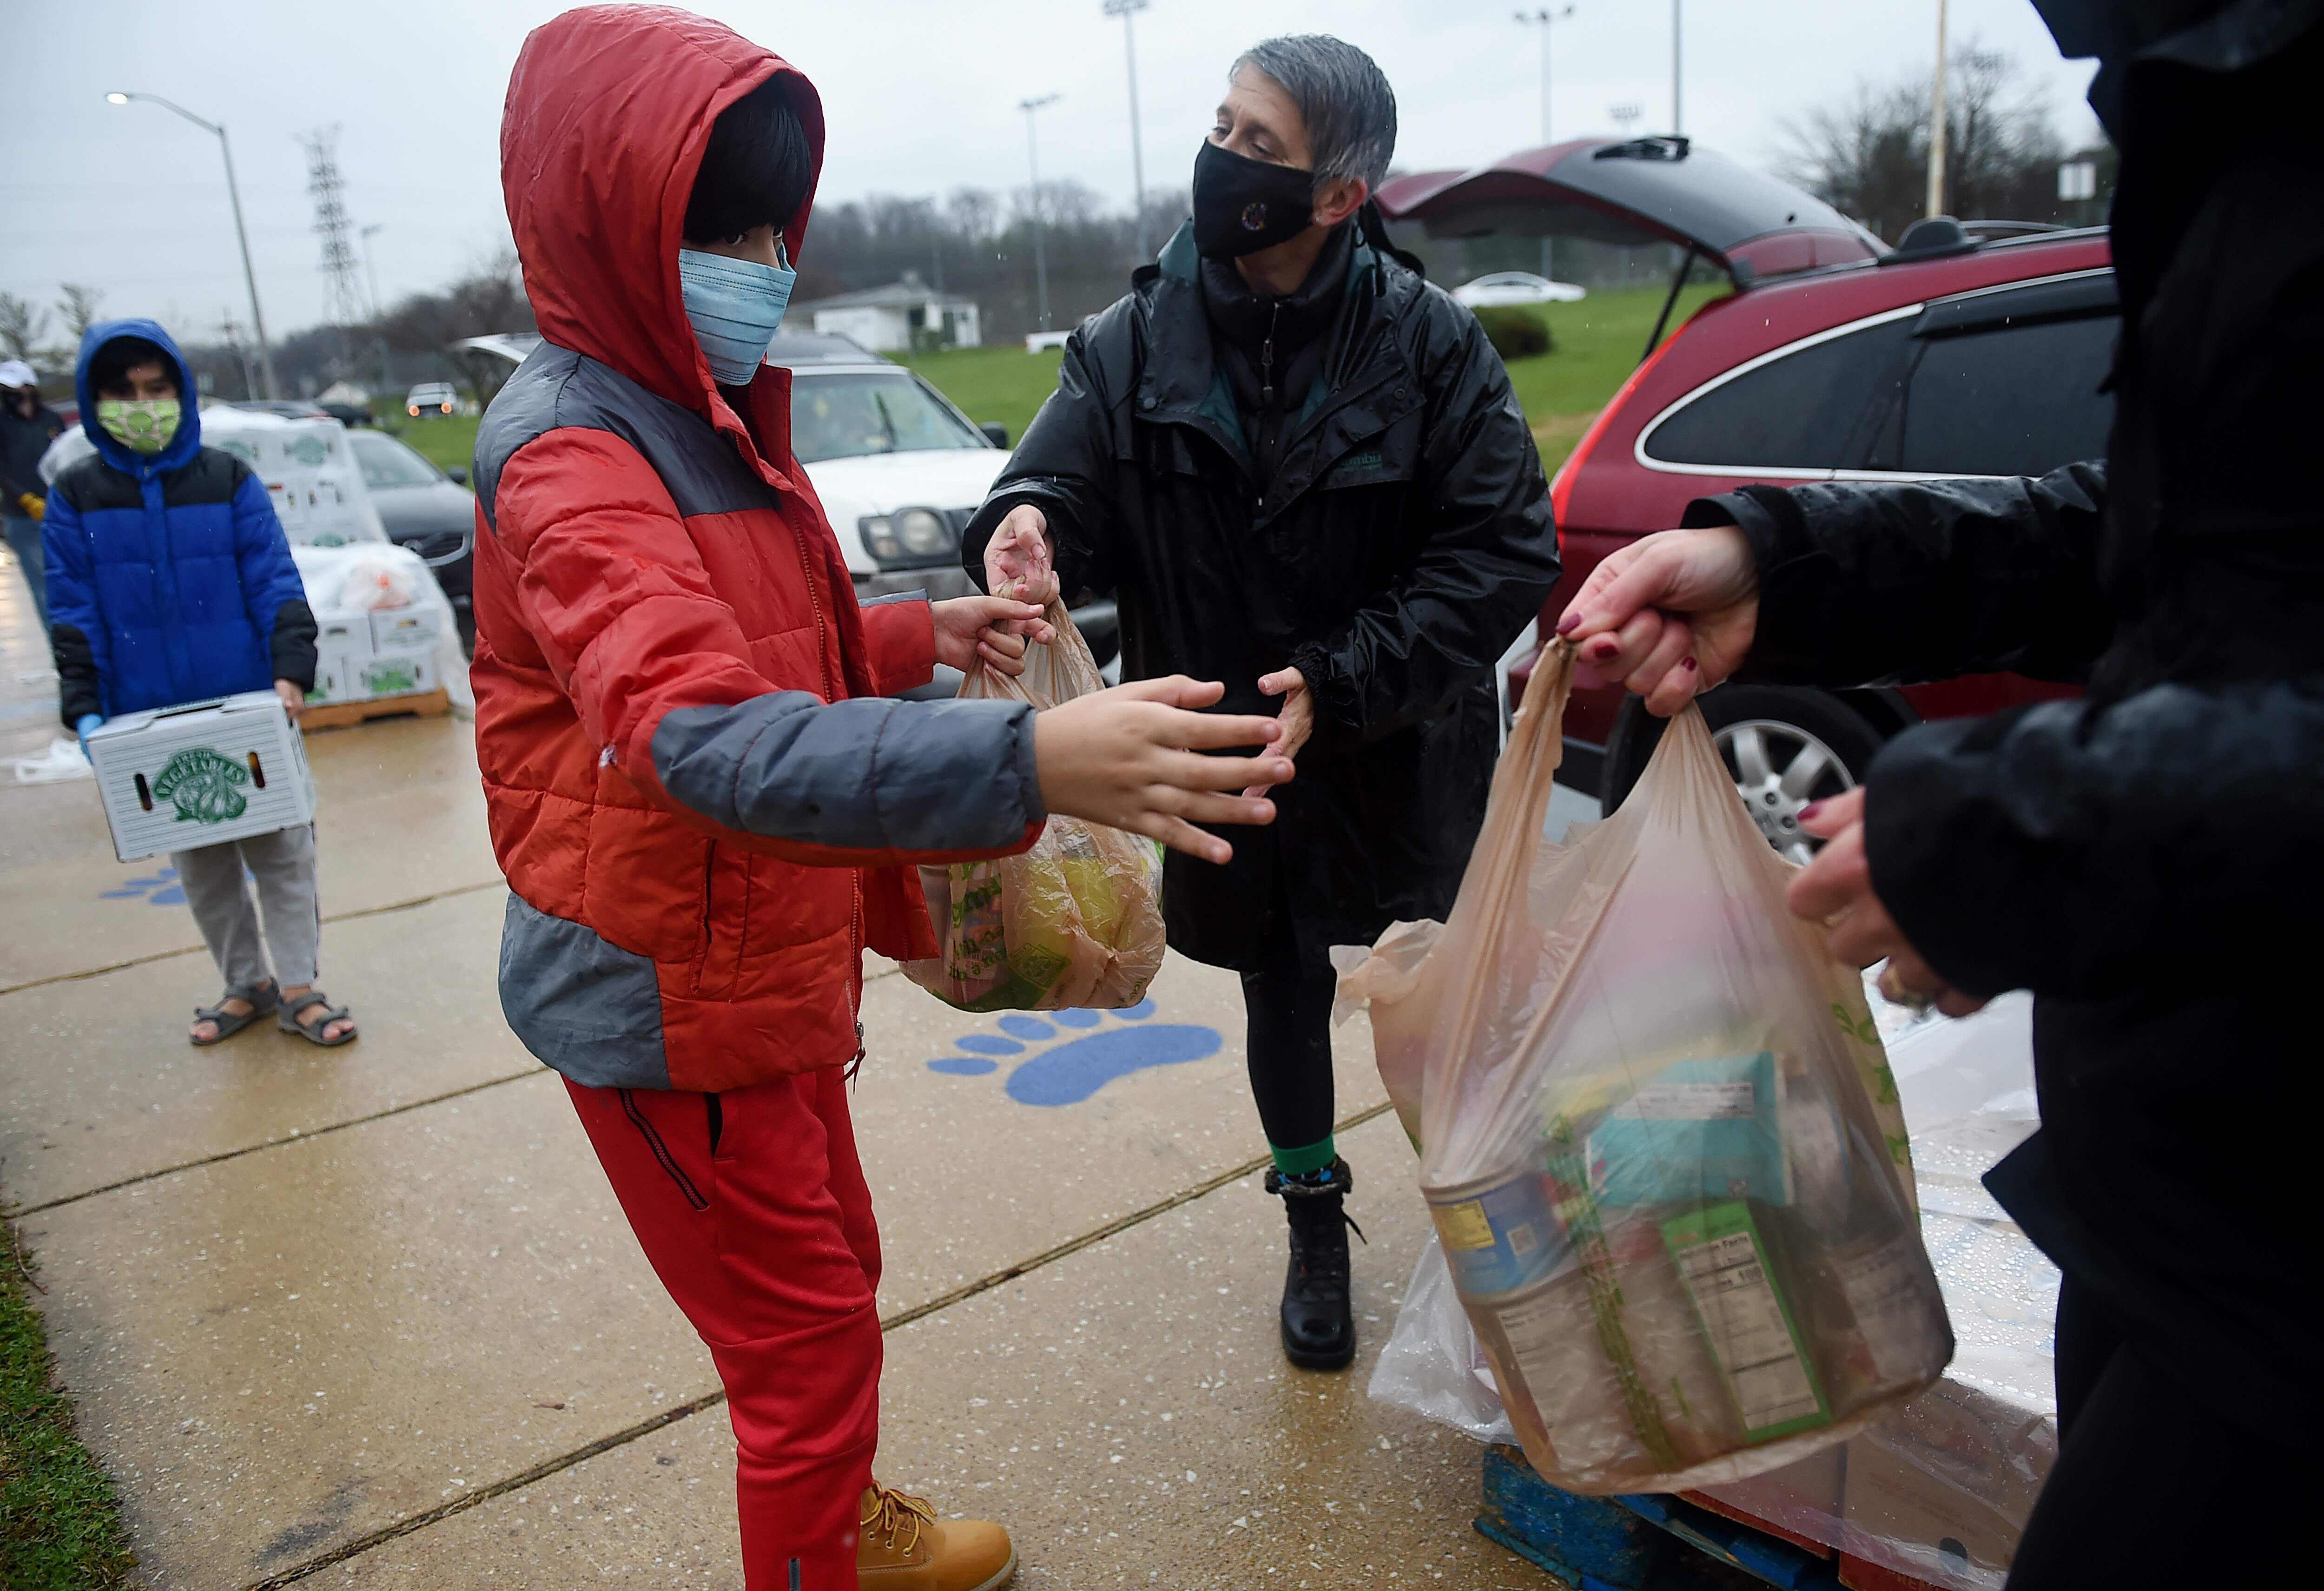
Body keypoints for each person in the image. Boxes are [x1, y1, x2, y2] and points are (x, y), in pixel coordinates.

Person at [475, 11, 1292, 1588]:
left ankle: (841, 1523)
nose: (762, 266)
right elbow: (702, 735)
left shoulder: (690, 408)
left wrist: (919, 635)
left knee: (835, 1270)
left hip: (761, 954)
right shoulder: (571, 454)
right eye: (723, 231)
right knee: (800, 1353)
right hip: (666, 991)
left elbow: (756, 631)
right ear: (605, 220)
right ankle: (820, 1539)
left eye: (775, 230)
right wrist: (1030, 761)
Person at [1558, 2, 2324, 1581]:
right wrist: (1788, 564)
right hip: (2183, 1165)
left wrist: (2003, 835)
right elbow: (2178, 549)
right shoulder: (2235, 114)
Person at [964, 35, 1559, 1371]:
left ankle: (1498, 1223)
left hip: (1398, 748)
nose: (1224, 159)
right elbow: (1056, 485)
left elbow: (1505, 549)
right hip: (1230, 752)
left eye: (1262, 145)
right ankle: (1311, 1215)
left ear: (1339, 195)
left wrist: (1342, 678)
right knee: (1280, 997)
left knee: (1445, 1004)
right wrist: (1025, 525)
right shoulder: (1128, 344)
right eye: (1223, 126)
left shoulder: (1429, 344)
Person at [44, 322, 355, 1048]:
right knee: (203, 862)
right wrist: (85, 707)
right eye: (123, 393)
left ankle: (300, 987)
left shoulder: (227, 481)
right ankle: (245, 982)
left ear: (181, 393)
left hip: (247, 703)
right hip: (148, 715)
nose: (142, 405)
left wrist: (290, 669)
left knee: (283, 851)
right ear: (95, 403)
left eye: (156, 389)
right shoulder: (77, 496)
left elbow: (274, 581)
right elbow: (73, 610)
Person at [1, 357, 65, 634]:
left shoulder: (52, 420)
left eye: (14, 388)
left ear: (30, 387)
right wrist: (25, 499)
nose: (10, 394)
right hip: (22, 517)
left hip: (58, 512)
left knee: (71, 581)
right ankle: (60, 647)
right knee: (43, 587)